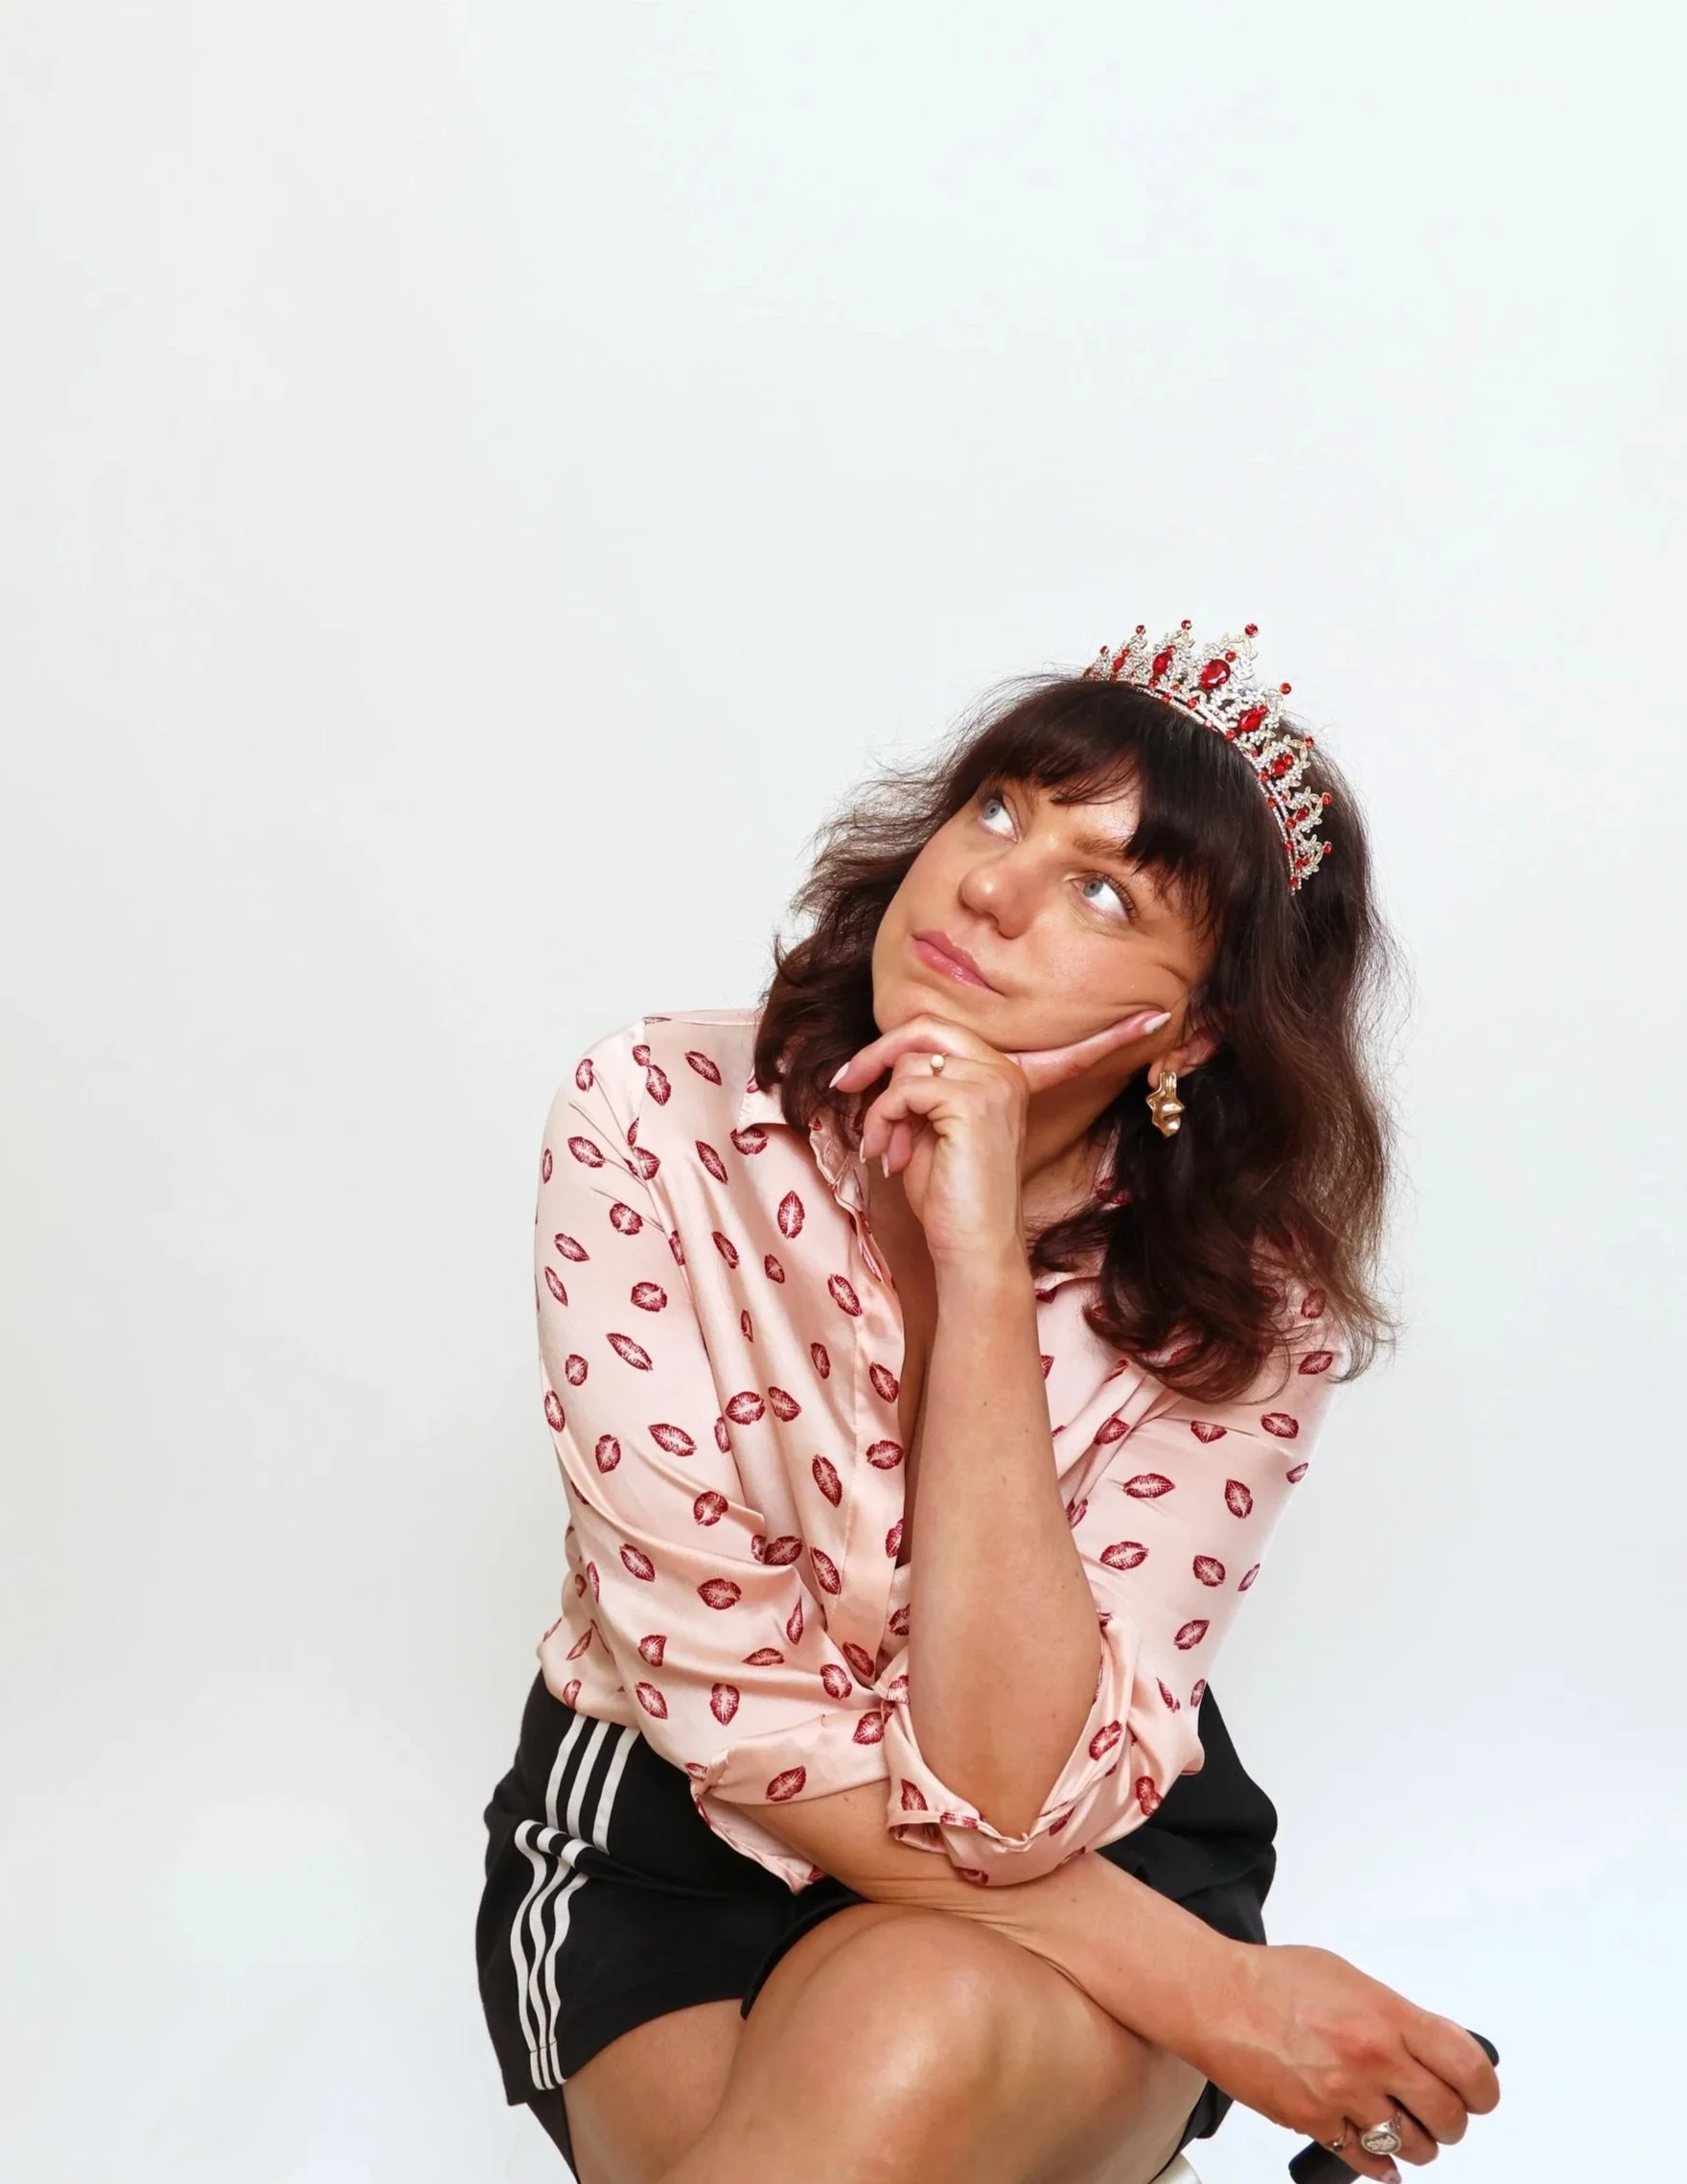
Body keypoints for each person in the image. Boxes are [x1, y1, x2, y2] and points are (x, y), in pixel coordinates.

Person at [474, 621, 1501, 2184]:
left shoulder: (1248, 1303)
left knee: (917, 2027)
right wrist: (1221, 1995)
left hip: (1100, 1849)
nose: (992, 887)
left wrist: (982, 1276)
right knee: (871, 2093)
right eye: (1002, 809)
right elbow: (726, 1707)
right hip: (672, 1843)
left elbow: (1018, 1801)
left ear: (1195, 1025)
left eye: (1107, 890)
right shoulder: (662, 1120)